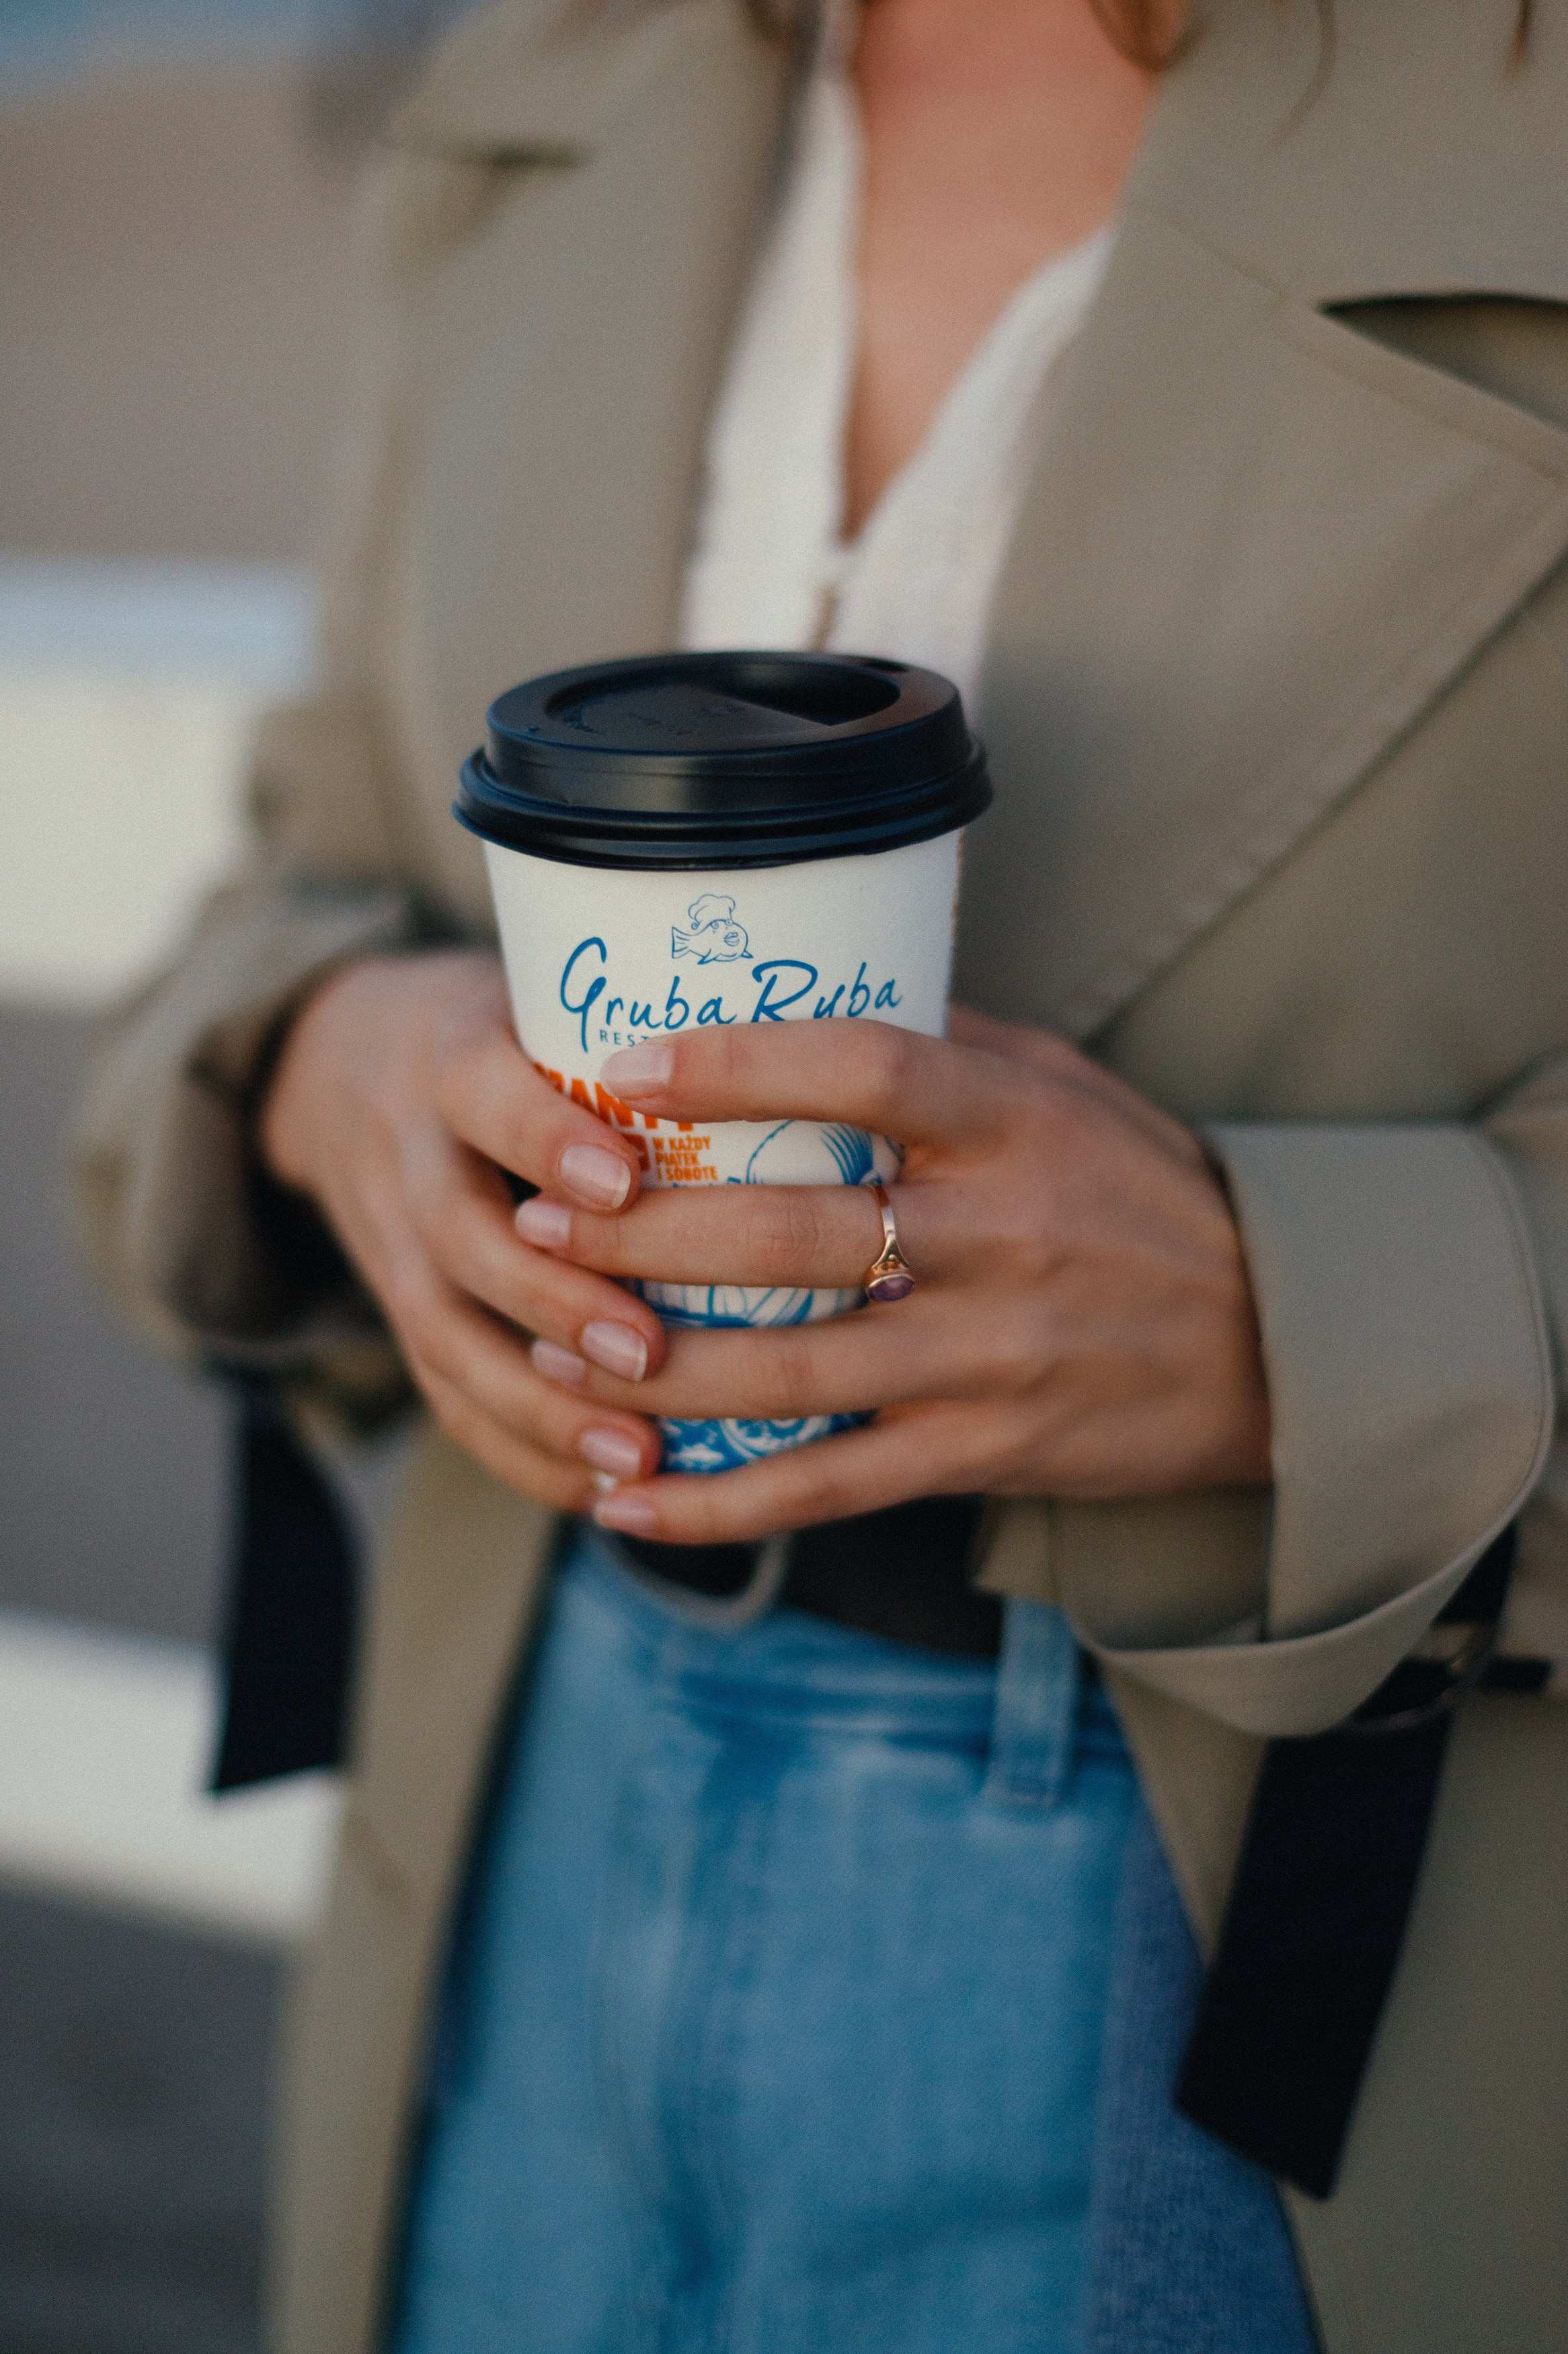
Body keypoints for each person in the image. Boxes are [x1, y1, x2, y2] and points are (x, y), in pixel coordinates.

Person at [77, 0, 1568, 2349]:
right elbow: (309, 861)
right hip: (525, 1800)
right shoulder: (549, 80)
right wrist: (330, 1064)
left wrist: (1307, 1321)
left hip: (1287, 1884)